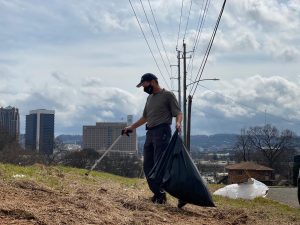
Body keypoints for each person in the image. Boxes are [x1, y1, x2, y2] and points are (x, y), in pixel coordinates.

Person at [123, 73, 182, 205]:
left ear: (153, 82)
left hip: (162, 132)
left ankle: (167, 195)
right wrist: (131, 127)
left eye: (145, 84)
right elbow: (145, 118)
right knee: (148, 165)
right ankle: (158, 193)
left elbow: (178, 112)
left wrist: (178, 123)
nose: (144, 87)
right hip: (150, 133)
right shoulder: (149, 98)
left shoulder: (167, 95)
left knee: (159, 165)